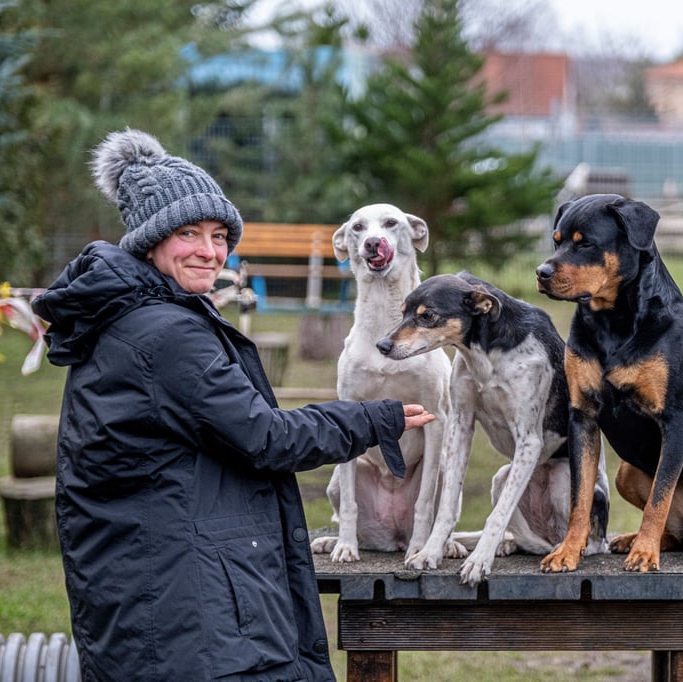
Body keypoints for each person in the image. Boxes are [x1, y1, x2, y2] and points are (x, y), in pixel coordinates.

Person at [31, 128, 434, 682]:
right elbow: (265, 437)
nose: (210, 250)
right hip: (189, 615)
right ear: (150, 239)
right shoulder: (161, 333)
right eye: (189, 233)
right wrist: (372, 417)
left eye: (220, 235)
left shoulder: (137, 314)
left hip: (166, 593)